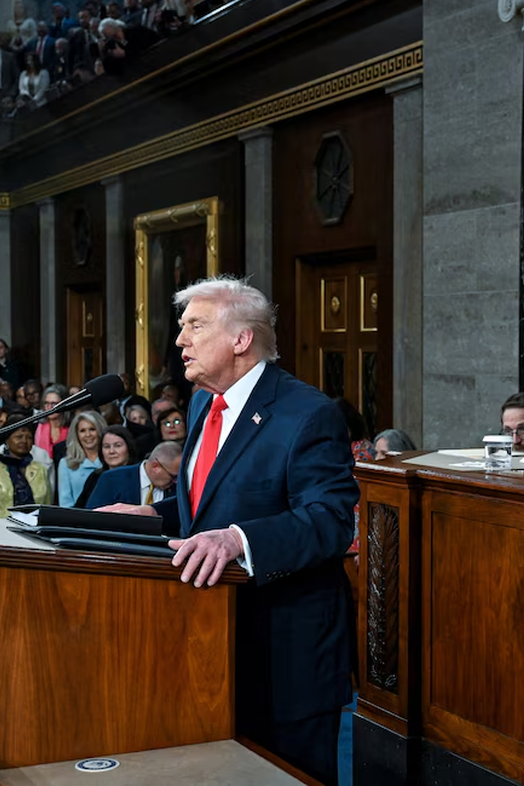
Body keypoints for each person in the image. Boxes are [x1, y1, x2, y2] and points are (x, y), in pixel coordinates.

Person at [99, 275, 356, 784]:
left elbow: (330, 520)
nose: (180, 340)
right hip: (210, 645)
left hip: (285, 655)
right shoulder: (202, 403)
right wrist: (158, 515)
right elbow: (212, 502)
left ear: (241, 340)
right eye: (181, 327)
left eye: (194, 326)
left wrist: (239, 539)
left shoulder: (307, 414)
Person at [0, 415, 51, 517]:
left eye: (29, 437)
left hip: (33, 530)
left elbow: (47, 507)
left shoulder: (40, 469)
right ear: (7, 440)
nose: (24, 441)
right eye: (18, 437)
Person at [85, 439, 180, 509]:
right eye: (172, 476)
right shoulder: (112, 479)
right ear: (155, 466)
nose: (175, 481)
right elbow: (93, 517)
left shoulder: (176, 490)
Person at [75, 424, 139, 508]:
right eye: (106, 446)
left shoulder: (138, 476)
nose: (111, 451)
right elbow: (79, 509)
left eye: (117, 446)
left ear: (129, 448)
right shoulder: (95, 477)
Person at [56, 410, 107, 507]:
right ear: (77, 435)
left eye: (92, 429)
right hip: (79, 519)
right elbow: (65, 503)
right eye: (82, 431)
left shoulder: (110, 460)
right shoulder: (66, 464)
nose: (88, 435)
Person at [34, 384, 70, 456]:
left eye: (54, 404)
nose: (49, 407)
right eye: (46, 403)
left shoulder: (71, 428)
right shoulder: (39, 427)